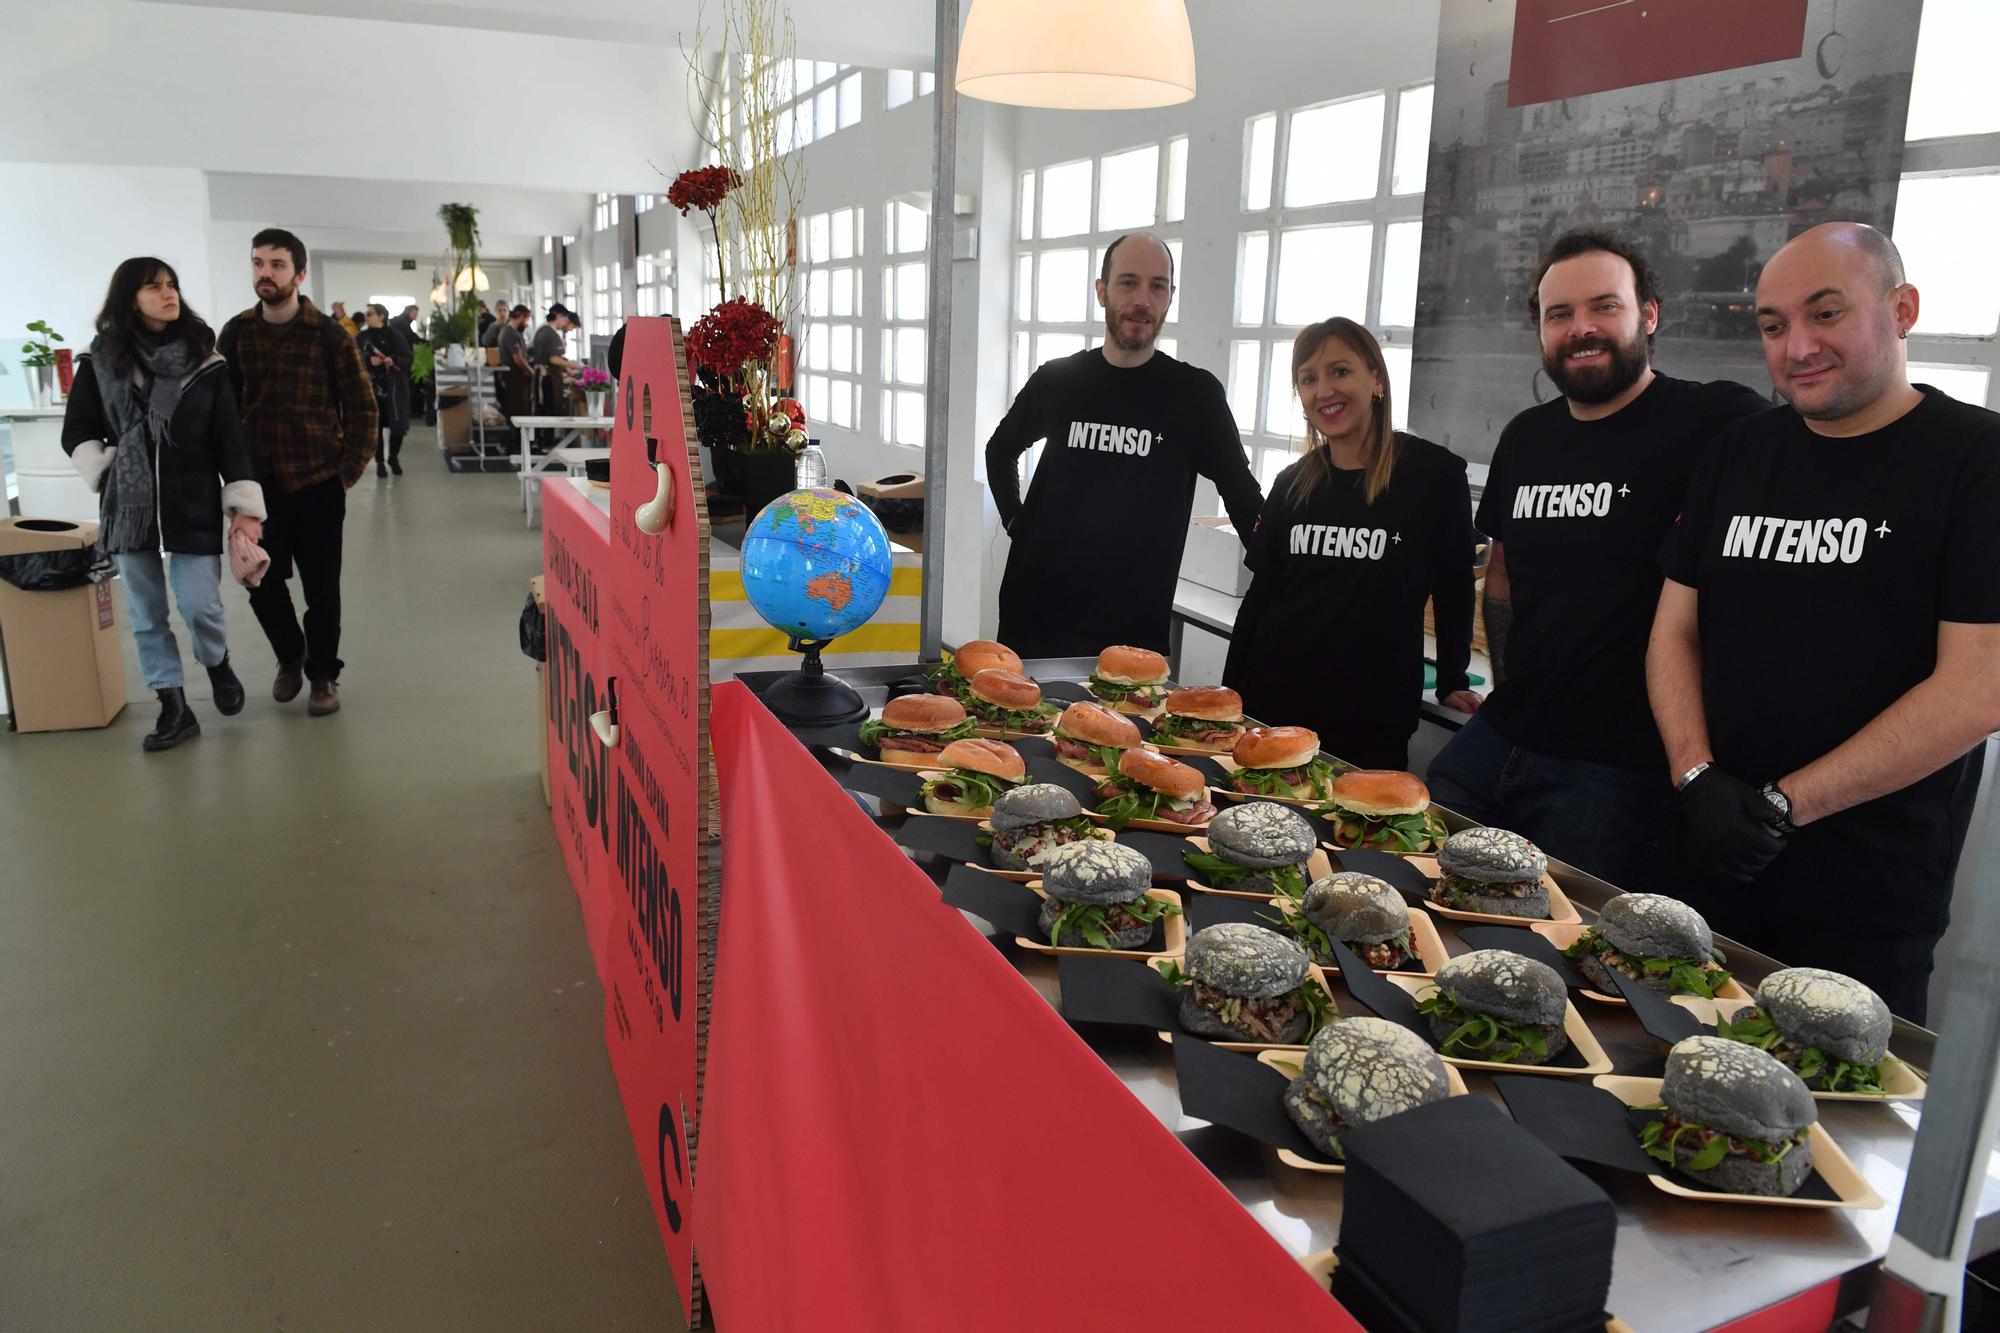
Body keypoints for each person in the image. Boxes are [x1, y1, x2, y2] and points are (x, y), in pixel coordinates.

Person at [1648, 223, 2000, 1021]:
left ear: (1901, 308)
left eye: (1826, 313)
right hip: (1701, 852)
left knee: (1814, 1129)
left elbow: (1980, 686)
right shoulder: (1739, 452)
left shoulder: (1975, 460)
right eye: (1774, 326)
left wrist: (1781, 806)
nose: (1797, 346)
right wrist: (1697, 777)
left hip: (1863, 895)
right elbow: (1675, 629)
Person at [1424, 229, 1767, 891]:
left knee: (1558, 945)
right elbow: (1503, 577)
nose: (1582, 328)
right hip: (1501, 740)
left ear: (1650, 314)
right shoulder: (1528, 437)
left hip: (1618, 768)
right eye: (1560, 314)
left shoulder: (1712, 420)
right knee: (1430, 883)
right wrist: (1506, 685)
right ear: (1540, 330)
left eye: (1604, 307)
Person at [985, 233, 1262, 658]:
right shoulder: (1058, 380)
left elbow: (1242, 495)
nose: (1143, 300)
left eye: (1157, 286)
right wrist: (1014, 520)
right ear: (1102, 292)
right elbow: (1000, 450)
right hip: (1035, 612)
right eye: (1128, 283)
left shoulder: (1193, 395)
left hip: (1131, 629)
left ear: (1170, 297)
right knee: (1016, 725)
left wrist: (1285, 577)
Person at [1223, 319, 1476, 770]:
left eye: (1340, 371)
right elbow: (1260, 598)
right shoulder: (1292, 483)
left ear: (1376, 378)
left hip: (1370, 719)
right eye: (1308, 378)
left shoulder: (1433, 476)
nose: (1324, 390)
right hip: (1272, 705)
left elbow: (1455, 585)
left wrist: (1452, 678)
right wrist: (1230, 698)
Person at [60, 257, 266, 751]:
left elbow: (228, 437)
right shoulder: (101, 361)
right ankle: (172, 705)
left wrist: (243, 506)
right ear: (130, 298)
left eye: (172, 285)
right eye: (154, 288)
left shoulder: (204, 360)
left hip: (190, 497)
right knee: (147, 614)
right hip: (127, 507)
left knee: (201, 607)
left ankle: (216, 663)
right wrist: (106, 468)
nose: (168, 294)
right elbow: (78, 430)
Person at [217, 228, 377, 717]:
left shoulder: (330, 337)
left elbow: (364, 410)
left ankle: (323, 674)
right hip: (256, 492)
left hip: (317, 485)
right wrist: (230, 484)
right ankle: (290, 656)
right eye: (258, 263)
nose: (266, 273)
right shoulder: (237, 334)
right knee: (261, 582)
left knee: (322, 591)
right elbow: (222, 413)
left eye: (278, 264)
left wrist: (343, 475)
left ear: (300, 273)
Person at [356, 303, 413, 476]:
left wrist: (392, 360)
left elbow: (408, 358)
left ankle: (393, 457)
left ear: (381, 316)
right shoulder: (361, 337)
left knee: (398, 425)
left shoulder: (396, 336)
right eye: (366, 313)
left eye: (370, 314)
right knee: (376, 427)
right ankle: (379, 461)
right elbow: (352, 359)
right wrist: (367, 362)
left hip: (394, 387)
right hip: (371, 388)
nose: (366, 317)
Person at [531, 304, 580, 437]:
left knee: (543, 408)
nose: (565, 323)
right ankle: (546, 440)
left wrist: (567, 367)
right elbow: (553, 359)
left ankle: (541, 440)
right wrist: (575, 365)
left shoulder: (543, 330)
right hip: (548, 377)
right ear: (558, 316)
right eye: (565, 319)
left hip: (544, 375)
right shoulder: (550, 333)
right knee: (550, 409)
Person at [495, 304, 533, 421]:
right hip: (514, 377)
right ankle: (518, 438)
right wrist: (531, 371)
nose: (526, 324)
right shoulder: (510, 333)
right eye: (526, 320)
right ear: (521, 316)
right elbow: (518, 359)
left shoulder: (510, 331)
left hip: (514, 376)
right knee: (518, 409)